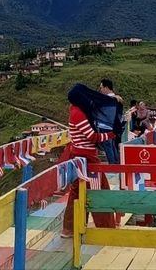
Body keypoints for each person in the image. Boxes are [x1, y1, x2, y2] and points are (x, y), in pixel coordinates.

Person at [61, 84, 118, 237]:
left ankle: (71, 228)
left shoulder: (76, 111)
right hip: (86, 158)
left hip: (80, 156)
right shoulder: (78, 113)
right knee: (99, 191)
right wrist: (110, 135)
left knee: (78, 193)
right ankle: (105, 227)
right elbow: (91, 136)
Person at [98, 79, 122, 164]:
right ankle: (116, 163)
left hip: (105, 126)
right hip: (113, 126)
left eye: (101, 87)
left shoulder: (107, 99)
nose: (100, 90)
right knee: (112, 145)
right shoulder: (117, 99)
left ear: (106, 87)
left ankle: (112, 166)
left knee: (108, 146)